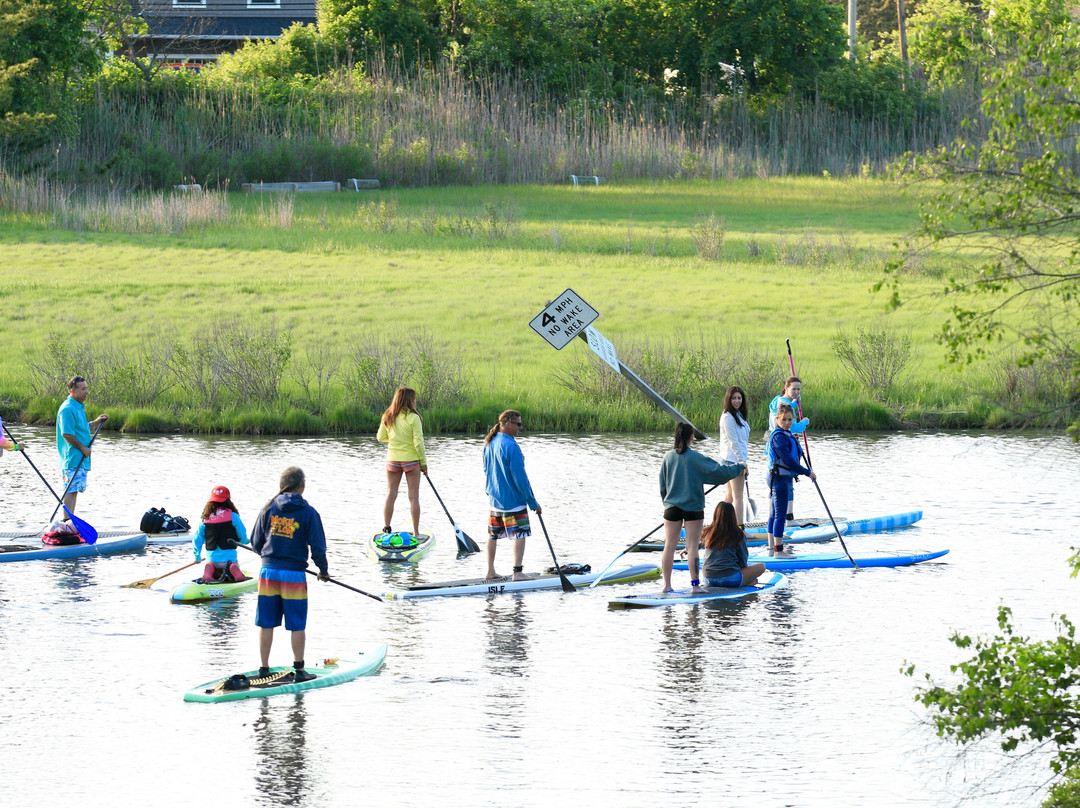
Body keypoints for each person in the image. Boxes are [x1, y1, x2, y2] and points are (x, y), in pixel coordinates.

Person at [250, 466, 329, 683]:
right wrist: (323, 570)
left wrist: (268, 557)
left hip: (268, 573)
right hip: (293, 575)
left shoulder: (268, 507)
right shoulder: (309, 512)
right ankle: (300, 670)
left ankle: (263, 669)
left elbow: (255, 542)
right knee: (297, 623)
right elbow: (318, 548)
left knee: (266, 622)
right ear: (302, 486)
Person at [659, 422, 744, 593]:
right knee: (692, 547)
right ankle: (695, 586)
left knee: (669, 546)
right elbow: (721, 473)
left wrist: (668, 502)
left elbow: (663, 486)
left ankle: (667, 586)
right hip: (693, 508)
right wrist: (740, 467)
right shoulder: (697, 458)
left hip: (671, 507)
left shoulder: (667, 457)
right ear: (691, 437)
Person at [483, 409, 541, 581]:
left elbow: (486, 470)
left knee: (492, 535)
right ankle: (517, 572)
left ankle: (490, 571)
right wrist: (533, 503)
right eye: (518, 424)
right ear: (507, 423)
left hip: (495, 500)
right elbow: (520, 479)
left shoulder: (489, 442)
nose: (520, 428)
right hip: (514, 501)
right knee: (520, 534)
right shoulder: (512, 446)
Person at [376, 386, 427, 536]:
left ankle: (386, 528)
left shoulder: (388, 416)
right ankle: (416, 532)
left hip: (393, 460)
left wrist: (394, 440)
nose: (415, 401)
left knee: (391, 494)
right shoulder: (414, 417)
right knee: (414, 497)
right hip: (411, 461)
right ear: (410, 400)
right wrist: (423, 463)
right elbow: (418, 443)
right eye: (414, 398)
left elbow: (380, 437)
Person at [766, 404, 816, 558]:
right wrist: (808, 473)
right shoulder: (779, 437)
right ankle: (778, 551)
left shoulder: (786, 434)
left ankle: (771, 548)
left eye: (789, 419)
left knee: (775, 514)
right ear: (777, 419)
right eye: (784, 420)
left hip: (782, 477)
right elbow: (788, 461)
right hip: (779, 479)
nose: (787, 423)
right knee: (779, 515)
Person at [56, 376, 108, 518]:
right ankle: (66, 521)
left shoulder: (78, 407)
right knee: (70, 490)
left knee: (75, 490)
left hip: (81, 458)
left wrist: (96, 422)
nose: (87, 391)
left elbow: (82, 428)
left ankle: (69, 522)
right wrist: (82, 448)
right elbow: (67, 434)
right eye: (83, 389)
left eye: (87, 388)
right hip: (72, 458)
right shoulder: (67, 408)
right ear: (73, 390)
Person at [764, 375, 808, 520]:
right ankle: (787, 518)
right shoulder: (782, 403)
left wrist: (794, 403)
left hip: (780, 442)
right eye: (793, 389)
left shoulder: (779, 400)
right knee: (785, 480)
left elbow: (786, 409)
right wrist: (804, 423)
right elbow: (791, 425)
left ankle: (780, 517)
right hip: (780, 444)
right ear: (786, 388)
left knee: (783, 483)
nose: (796, 391)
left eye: (798, 389)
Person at [192, 485, 250, 583]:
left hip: (212, 557)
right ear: (228, 500)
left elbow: (197, 539)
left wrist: (197, 556)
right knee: (232, 564)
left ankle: (210, 568)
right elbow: (242, 535)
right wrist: (245, 541)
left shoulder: (205, 518)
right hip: (229, 558)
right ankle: (233, 568)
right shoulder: (233, 516)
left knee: (211, 564)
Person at [702, 501, 766, 587]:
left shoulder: (707, 532)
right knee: (761, 566)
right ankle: (747, 582)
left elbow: (700, 545)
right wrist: (748, 576)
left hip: (708, 579)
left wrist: (687, 549)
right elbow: (743, 560)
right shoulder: (738, 534)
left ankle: (746, 581)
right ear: (733, 516)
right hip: (729, 578)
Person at [717, 386, 751, 526]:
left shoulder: (737, 415)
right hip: (732, 461)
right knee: (738, 497)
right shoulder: (728, 417)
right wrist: (742, 462)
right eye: (734, 398)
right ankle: (740, 530)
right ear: (728, 399)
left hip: (734, 459)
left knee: (730, 497)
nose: (737, 401)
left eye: (739, 398)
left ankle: (719, 526)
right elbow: (733, 442)